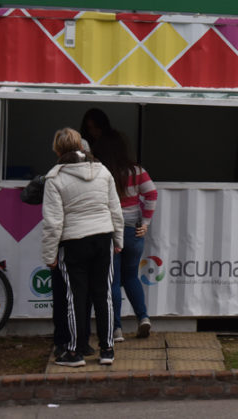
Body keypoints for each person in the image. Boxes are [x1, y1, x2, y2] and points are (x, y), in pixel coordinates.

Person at [41, 127, 123, 367]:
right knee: (103, 294)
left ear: (57, 149)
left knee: (74, 297)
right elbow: (115, 209)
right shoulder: (102, 170)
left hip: (73, 242)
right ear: (81, 145)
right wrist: (118, 240)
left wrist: (49, 255)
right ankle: (107, 350)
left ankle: (74, 353)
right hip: (103, 238)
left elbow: (53, 222)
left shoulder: (54, 177)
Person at [92, 129, 157, 341]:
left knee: (113, 280)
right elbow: (151, 193)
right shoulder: (136, 171)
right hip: (133, 230)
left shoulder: (99, 171)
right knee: (131, 277)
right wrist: (145, 222)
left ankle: (116, 329)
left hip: (109, 231)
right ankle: (143, 318)